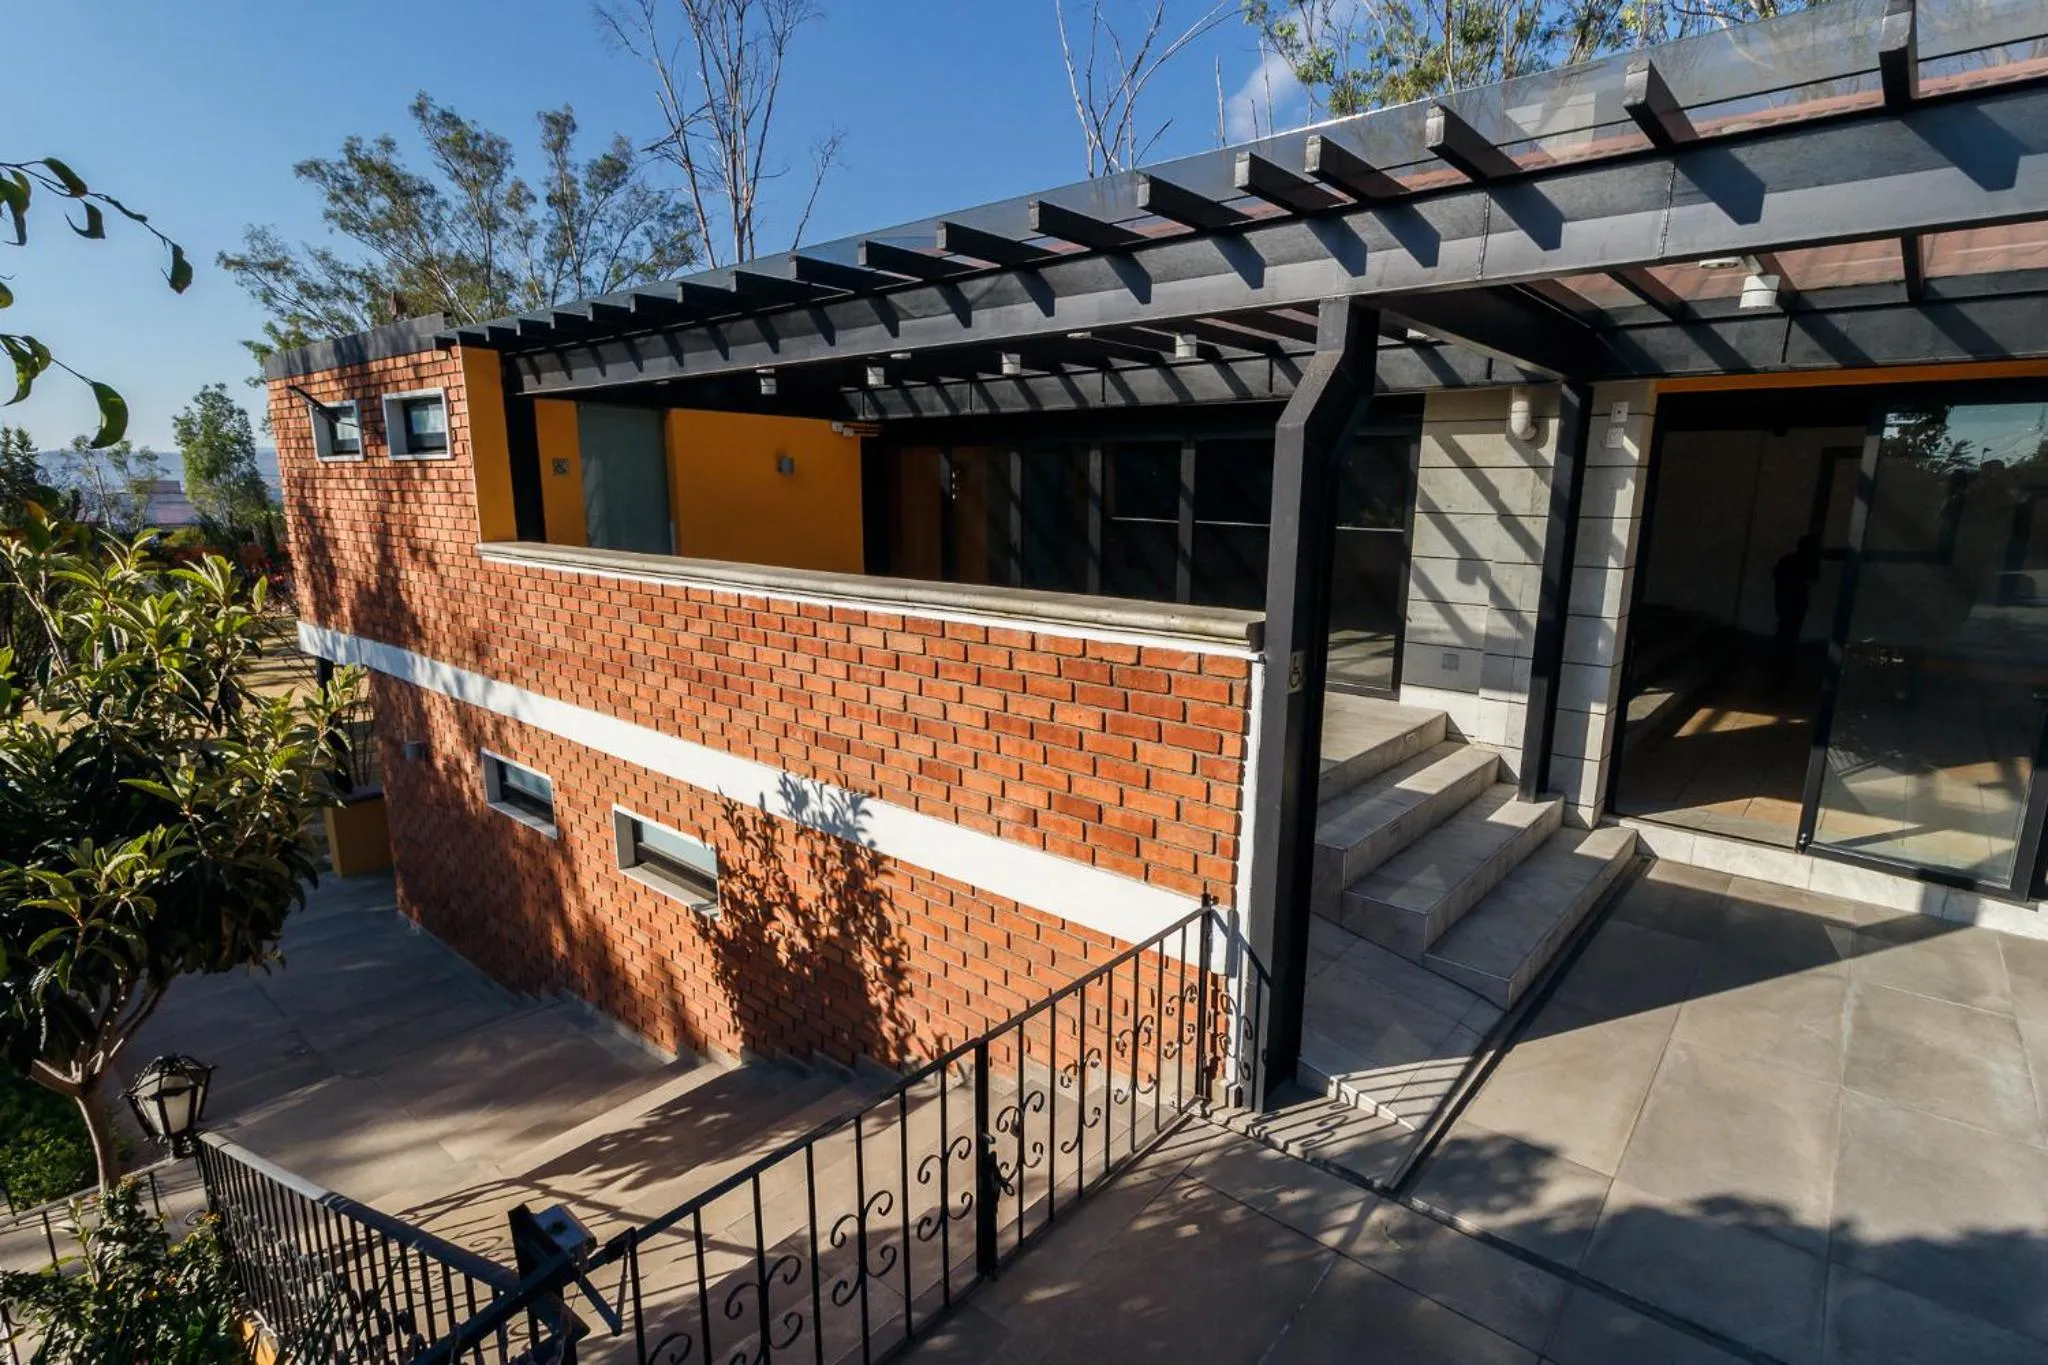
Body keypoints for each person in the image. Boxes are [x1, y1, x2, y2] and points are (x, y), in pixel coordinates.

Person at [1772, 533, 1819, 684]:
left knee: (1783, 630)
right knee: (1792, 632)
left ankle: (1779, 661)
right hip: (1797, 602)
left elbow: (1776, 576)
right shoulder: (1807, 562)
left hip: (1784, 601)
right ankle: (1785, 662)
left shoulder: (1787, 559)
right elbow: (1812, 580)